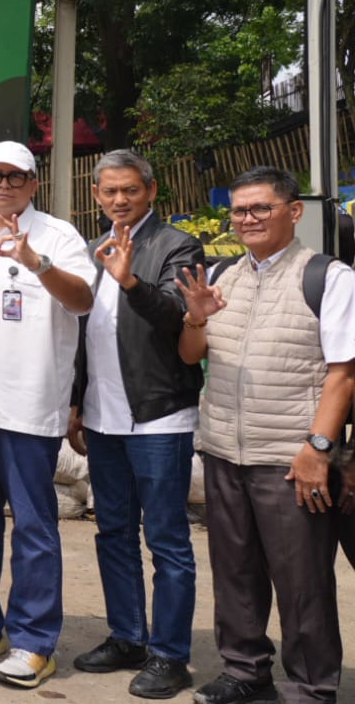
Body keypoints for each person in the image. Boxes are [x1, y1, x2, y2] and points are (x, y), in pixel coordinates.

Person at [174, 166, 354, 704]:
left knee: (302, 582)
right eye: (238, 210)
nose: (246, 219)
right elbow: (191, 356)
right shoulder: (223, 274)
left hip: (291, 458)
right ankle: (245, 670)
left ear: (293, 212)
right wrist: (196, 319)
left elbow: (344, 374)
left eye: (260, 208)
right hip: (226, 450)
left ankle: (311, 685)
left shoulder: (328, 277)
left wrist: (318, 449)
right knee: (235, 573)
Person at [0, 141, 95, 689]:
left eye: (15, 176)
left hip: (29, 408)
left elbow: (81, 301)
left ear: (34, 183)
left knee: (33, 527)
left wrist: (37, 263)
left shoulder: (58, 236)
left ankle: (34, 641)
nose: (3, 184)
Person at [68, 148, 203, 700]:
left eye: (129, 191)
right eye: (109, 192)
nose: (119, 201)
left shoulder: (176, 245)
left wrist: (128, 282)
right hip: (103, 418)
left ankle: (170, 655)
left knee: (168, 540)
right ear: (97, 196)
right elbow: (84, 332)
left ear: (151, 190)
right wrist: (77, 401)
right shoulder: (92, 246)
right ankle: (127, 635)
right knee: (113, 533)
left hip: (159, 416)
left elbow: (176, 314)